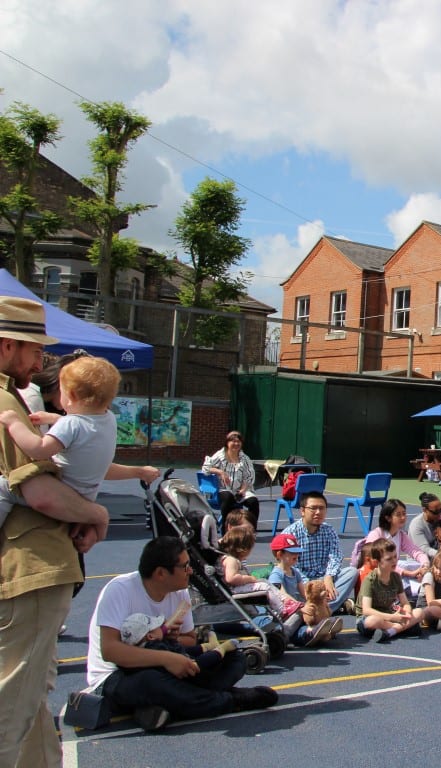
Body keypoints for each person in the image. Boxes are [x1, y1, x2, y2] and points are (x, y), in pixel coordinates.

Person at [0, 296, 113, 767]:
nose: (40, 361)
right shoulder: (5, 401)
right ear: (7, 346)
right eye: (34, 350)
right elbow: (38, 493)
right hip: (34, 561)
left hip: (25, 561)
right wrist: (96, 515)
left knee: (32, 702)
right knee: (14, 702)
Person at [86, 537, 278, 731]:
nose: (190, 571)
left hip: (170, 661)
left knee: (235, 659)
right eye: (185, 566)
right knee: (152, 683)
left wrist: (170, 639)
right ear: (161, 573)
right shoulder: (120, 590)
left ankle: (161, 706)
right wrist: (166, 658)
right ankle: (231, 700)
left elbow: (189, 640)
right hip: (118, 674)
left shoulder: (180, 592)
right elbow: (110, 651)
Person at [0, 355, 120, 528]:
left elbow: (39, 449)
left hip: (61, 491)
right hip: (86, 495)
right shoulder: (108, 419)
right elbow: (84, 430)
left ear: (70, 395)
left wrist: (15, 423)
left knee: (3, 487)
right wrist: (53, 418)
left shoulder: (69, 423)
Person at [282, 491, 359, 614]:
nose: (318, 512)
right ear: (302, 511)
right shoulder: (290, 534)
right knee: (286, 583)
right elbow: (291, 567)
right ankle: (330, 607)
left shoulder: (329, 530)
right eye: (313, 508)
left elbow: (336, 555)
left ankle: (318, 609)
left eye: (322, 508)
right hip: (302, 583)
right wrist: (310, 586)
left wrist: (329, 577)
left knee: (352, 572)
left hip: (325, 580)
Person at [351, 498, 428, 598]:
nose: (403, 517)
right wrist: (408, 573)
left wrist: (425, 566)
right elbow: (377, 564)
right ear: (388, 518)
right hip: (377, 577)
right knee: (399, 575)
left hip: (392, 570)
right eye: (398, 514)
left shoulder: (401, 535)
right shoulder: (376, 534)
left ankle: (422, 587)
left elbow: (416, 552)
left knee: (418, 566)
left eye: (404, 513)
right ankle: (417, 590)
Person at [267, 532, 333, 647]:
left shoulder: (294, 571)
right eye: (292, 552)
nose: (296, 555)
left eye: (297, 552)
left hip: (294, 608)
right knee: (299, 614)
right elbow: (282, 595)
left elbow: (305, 594)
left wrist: (316, 601)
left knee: (313, 608)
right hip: (282, 612)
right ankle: (284, 634)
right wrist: (300, 607)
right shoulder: (276, 574)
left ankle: (317, 629)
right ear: (279, 554)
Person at [120, 612, 238, 676]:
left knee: (184, 651)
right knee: (199, 663)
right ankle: (220, 649)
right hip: (191, 672)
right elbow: (189, 662)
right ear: (150, 636)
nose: (162, 627)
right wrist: (221, 650)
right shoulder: (157, 648)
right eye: (158, 626)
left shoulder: (145, 652)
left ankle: (209, 646)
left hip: (176, 667)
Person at [355, 540, 424, 641]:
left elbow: (405, 602)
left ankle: (391, 631)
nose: (394, 561)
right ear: (377, 561)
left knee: (419, 612)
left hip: (390, 615)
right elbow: (366, 610)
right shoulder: (370, 580)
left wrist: (407, 612)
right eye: (389, 559)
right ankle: (402, 628)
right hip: (369, 618)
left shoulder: (396, 577)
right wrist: (393, 618)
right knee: (373, 621)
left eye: (395, 557)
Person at [217, 525, 288, 615]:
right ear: (243, 549)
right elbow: (231, 578)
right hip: (233, 589)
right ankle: (282, 610)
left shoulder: (231, 558)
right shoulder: (231, 560)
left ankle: (284, 600)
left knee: (264, 581)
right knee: (264, 586)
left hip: (236, 587)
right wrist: (248, 579)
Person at [202, 430, 261, 529]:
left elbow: (249, 477)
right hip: (223, 489)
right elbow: (206, 468)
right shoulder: (220, 455)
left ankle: (251, 529)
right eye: (233, 441)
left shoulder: (245, 458)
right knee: (228, 497)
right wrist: (220, 472)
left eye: (238, 442)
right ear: (227, 443)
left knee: (253, 501)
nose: (236, 444)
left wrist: (243, 490)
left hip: (241, 490)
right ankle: (226, 528)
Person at [410, 491, 441, 560]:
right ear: (425, 510)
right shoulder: (416, 525)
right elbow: (425, 549)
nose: (439, 514)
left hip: (439, 556)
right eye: (436, 512)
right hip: (421, 563)